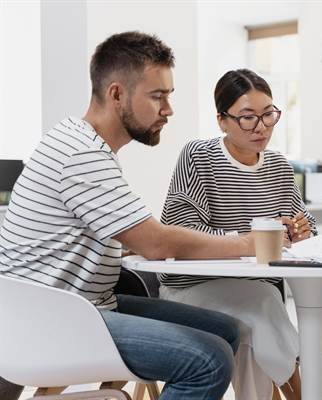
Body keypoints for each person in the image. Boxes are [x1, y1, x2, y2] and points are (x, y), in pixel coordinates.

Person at [0, 31, 260, 400]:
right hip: (52, 322)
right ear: (117, 94)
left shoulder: (83, 144)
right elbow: (155, 243)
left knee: (227, 331)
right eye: (158, 97)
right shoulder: (82, 155)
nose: (168, 109)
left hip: (77, 307)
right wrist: (247, 243)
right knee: (209, 360)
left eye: (168, 96)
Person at [158, 69, 315, 400]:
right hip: (190, 288)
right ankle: (304, 392)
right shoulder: (198, 156)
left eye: (269, 114)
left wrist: (302, 230)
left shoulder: (279, 167)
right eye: (247, 118)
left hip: (251, 290)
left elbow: (302, 222)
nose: (261, 127)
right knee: (263, 304)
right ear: (222, 120)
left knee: (256, 318)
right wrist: (246, 240)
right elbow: (181, 234)